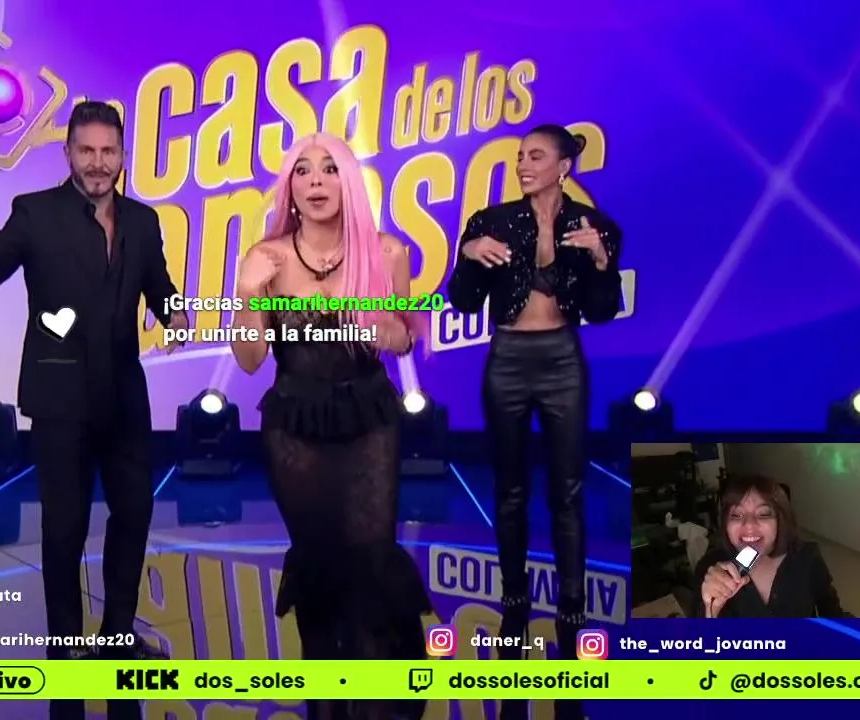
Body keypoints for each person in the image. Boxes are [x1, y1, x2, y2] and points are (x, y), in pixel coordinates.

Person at [0, 102, 188, 720]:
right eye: (86, 151)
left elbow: (159, 285)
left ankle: (117, 634)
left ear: (122, 157)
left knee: (135, 513)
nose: (98, 163)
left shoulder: (144, 222)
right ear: (68, 153)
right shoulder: (35, 213)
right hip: (59, 396)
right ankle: (65, 646)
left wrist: (174, 312)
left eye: (108, 152)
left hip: (124, 396)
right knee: (64, 527)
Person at [229, 132, 430, 720]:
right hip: (295, 420)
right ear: (289, 187)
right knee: (317, 559)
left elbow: (405, 337)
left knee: (369, 556)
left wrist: (385, 329)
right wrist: (247, 293)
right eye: (303, 171)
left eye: (328, 169)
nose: (315, 181)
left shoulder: (386, 253)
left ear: (349, 182)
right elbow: (249, 360)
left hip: (368, 417)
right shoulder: (267, 257)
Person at [446, 124, 623, 720]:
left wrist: (600, 260)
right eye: (520, 156)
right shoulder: (491, 222)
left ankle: (572, 602)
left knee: (567, 490)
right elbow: (463, 300)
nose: (523, 164)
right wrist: (467, 256)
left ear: (564, 166)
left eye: (536, 156)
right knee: (510, 489)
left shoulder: (595, 226)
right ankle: (514, 594)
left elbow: (602, 311)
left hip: (563, 360)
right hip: (508, 359)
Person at [694, 475, 845, 618]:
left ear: (780, 521)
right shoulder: (709, 567)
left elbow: (834, 615)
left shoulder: (807, 557)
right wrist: (710, 611)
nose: (749, 525)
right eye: (737, 515)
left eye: (764, 514)